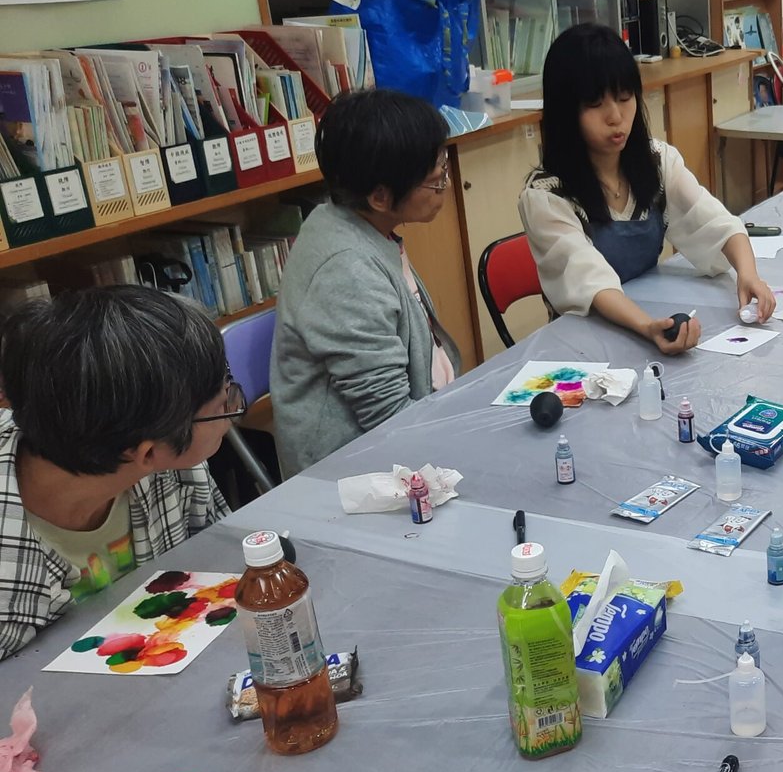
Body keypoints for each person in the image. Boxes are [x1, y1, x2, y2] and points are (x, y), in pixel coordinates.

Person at [0, 286, 235, 660]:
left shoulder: (173, 467)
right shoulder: (9, 568)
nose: (230, 415)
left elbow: (222, 566)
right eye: (223, 405)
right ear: (148, 452)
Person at [519, 24, 776, 354]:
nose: (616, 116)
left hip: (648, 326)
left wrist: (748, 274)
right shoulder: (546, 196)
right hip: (586, 348)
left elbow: (715, 222)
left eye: (625, 97)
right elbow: (589, 282)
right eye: (595, 103)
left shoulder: (657, 162)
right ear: (566, 112)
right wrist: (647, 327)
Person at [272, 88, 462, 477]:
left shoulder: (358, 224)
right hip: (356, 475)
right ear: (379, 197)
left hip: (415, 429)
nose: (443, 187)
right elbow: (391, 421)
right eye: (435, 180)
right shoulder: (346, 271)